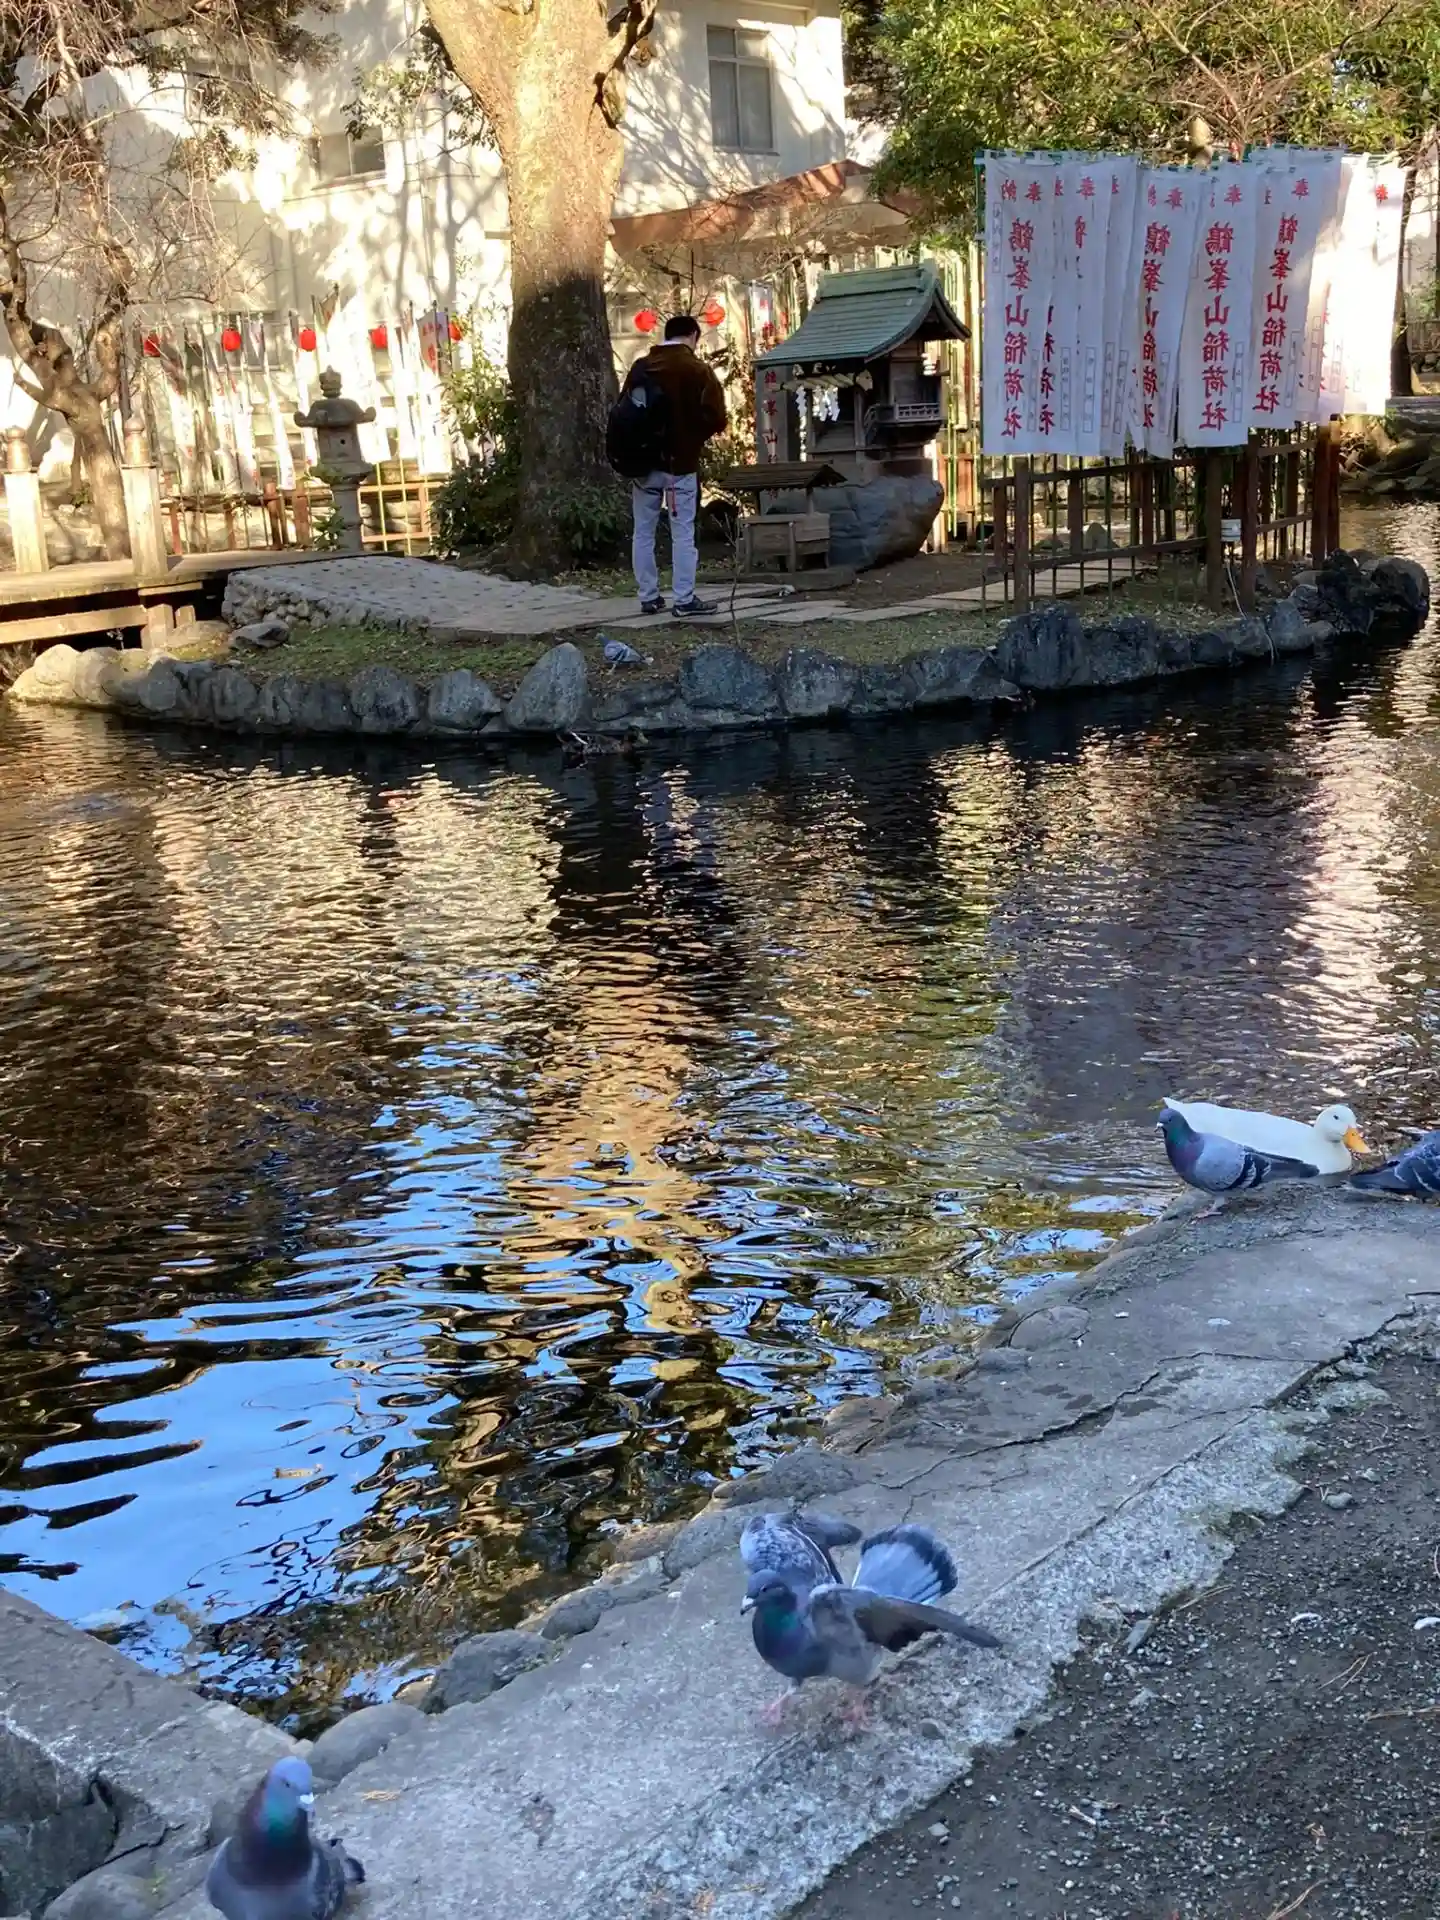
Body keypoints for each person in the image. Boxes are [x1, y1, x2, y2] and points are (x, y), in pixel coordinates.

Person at [622, 314, 727, 617]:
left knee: (643, 532)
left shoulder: (641, 368)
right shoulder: (698, 370)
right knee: (682, 533)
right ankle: (683, 599)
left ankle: (649, 596)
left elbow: (624, 413)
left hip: (644, 465)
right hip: (680, 465)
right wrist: (693, 435)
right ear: (693, 336)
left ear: (665, 335)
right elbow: (717, 417)